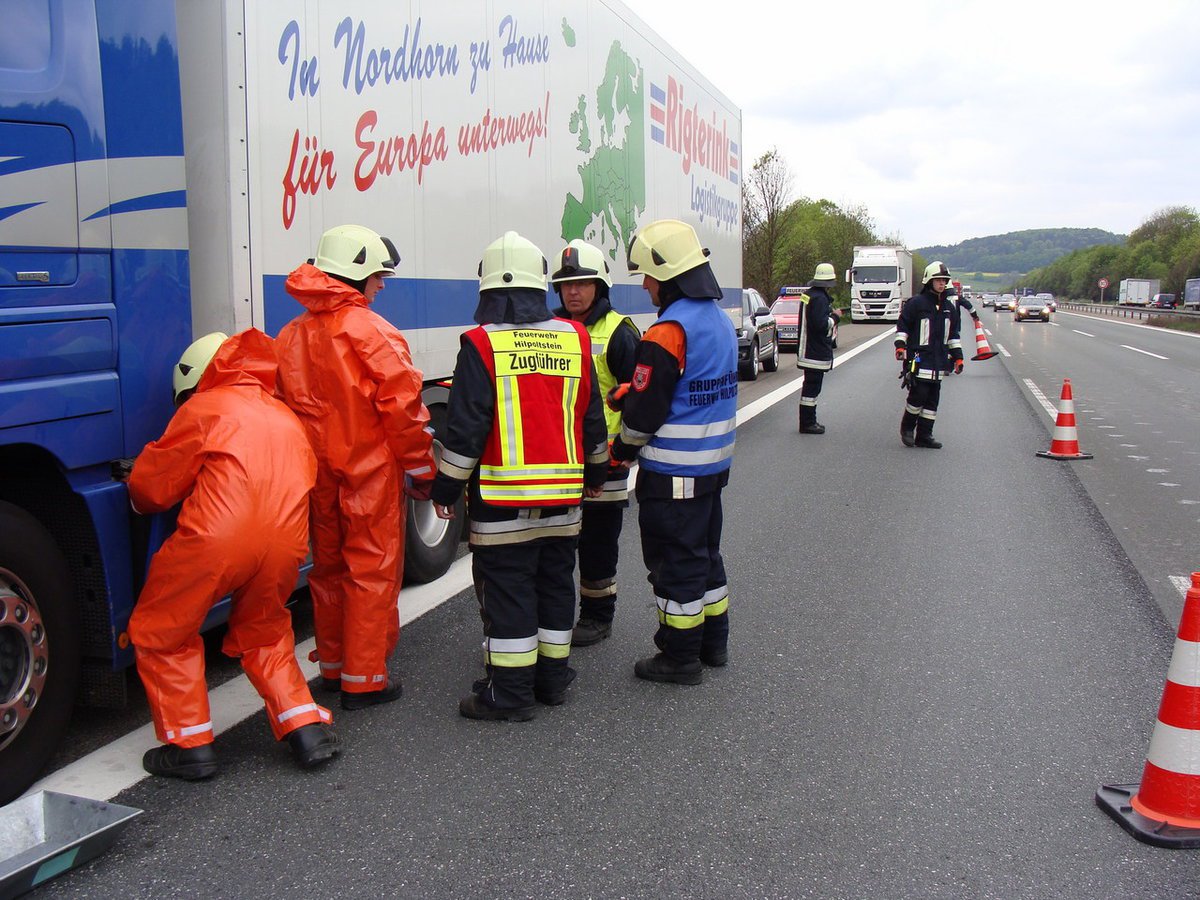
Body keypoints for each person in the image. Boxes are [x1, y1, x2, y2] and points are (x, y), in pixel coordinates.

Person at [126, 329, 339, 780]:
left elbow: (152, 491)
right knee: (264, 631)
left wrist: (136, 489)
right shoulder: (282, 413)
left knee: (163, 630)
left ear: (196, 380)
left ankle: (190, 746)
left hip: (217, 540)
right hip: (286, 543)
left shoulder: (204, 408)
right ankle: (305, 729)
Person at [431, 231, 609, 721]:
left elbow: (466, 431)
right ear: (540, 284)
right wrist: (597, 471)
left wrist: (445, 489)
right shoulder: (574, 338)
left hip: (502, 502)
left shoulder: (480, 344)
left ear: (487, 288)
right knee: (555, 587)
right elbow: (591, 416)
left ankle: (509, 694)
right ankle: (551, 680)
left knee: (508, 593)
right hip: (565, 500)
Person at [276, 225, 435, 710]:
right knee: (371, 569)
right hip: (368, 473)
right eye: (378, 275)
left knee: (327, 569)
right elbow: (403, 410)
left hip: (316, 474)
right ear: (356, 273)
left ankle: (333, 667)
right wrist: (422, 468)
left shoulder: (291, 334)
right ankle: (364, 679)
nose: (381, 284)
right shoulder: (373, 331)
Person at [610, 219, 736, 685]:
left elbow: (644, 417)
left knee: (674, 565)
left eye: (648, 276)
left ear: (668, 275)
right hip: (711, 468)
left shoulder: (666, 331)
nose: (645, 286)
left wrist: (620, 448)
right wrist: (636, 390)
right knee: (705, 557)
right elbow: (692, 387)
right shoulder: (720, 321)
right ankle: (713, 644)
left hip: (672, 475)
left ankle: (679, 657)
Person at [549, 239, 641, 646]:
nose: (573, 292)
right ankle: (555, 618)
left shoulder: (620, 332)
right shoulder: (551, 329)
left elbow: (638, 397)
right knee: (559, 545)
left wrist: (625, 451)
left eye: (582, 284)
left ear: (599, 286)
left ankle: (598, 616)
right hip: (561, 461)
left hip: (608, 461)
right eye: (566, 285)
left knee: (597, 545)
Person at [895, 260, 964, 449]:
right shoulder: (916, 304)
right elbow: (903, 326)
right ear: (929, 281)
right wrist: (900, 346)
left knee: (932, 401)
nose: (942, 283)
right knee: (918, 396)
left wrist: (958, 357)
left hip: (939, 361)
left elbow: (953, 336)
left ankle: (925, 435)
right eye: (938, 280)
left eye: (944, 280)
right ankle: (907, 428)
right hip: (918, 358)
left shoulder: (949, 308)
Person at [795, 262, 842, 434]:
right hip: (814, 352)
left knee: (810, 386)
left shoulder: (808, 295)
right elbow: (820, 325)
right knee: (812, 388)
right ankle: (808, 423)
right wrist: (835, 317)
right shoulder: (820, 299)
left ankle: (807, 422)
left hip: (806, 349)